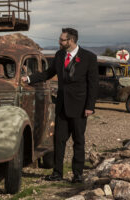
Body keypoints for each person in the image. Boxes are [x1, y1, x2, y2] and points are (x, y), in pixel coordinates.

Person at [22, 28, 98, 183]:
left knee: (78, 141)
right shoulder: (59, 55)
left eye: (62, 39)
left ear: (70, 41)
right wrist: (28, 79)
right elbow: (47, 74)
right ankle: (57, 173)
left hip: (80, 107)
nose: (59, 41)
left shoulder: (89, 57)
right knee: (59, 140)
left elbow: (93, 84)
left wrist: (90, 106)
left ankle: (77, 175)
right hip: (62, 106)